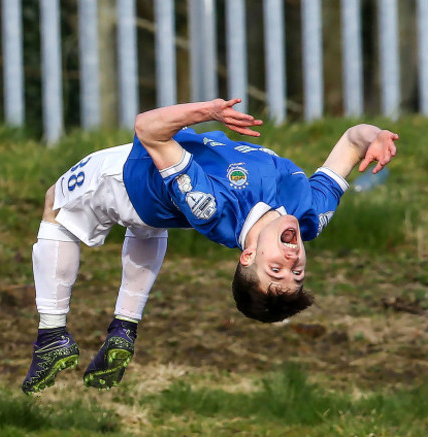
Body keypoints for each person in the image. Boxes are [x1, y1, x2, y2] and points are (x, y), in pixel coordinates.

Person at [21, 98, 398, 395]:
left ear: (248, 256)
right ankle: (124, 328)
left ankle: (52, 335)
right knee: (148, 227)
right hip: (158, 207)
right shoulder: (311, 214)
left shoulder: (214, 204)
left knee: (55, 204)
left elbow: (148, 129)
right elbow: (351, 140)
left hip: (125, 177)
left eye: (275, 270)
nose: (291, 259)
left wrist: (208, 112)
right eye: (296, 272)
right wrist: (375, 135)